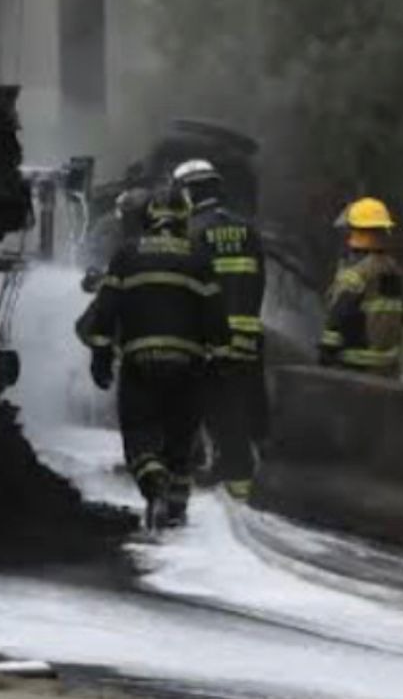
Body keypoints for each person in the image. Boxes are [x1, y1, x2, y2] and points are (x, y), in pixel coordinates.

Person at [80, 188, 228, 529]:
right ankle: (175, 512)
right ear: (183, 219)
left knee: (139, 433)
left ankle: (154, 484)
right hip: (188, 367)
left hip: (139, 364)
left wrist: (100, 355)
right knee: (180, 440)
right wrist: (219, 362)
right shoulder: (199, 258)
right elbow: (216, 317)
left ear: (150, 217)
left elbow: (106, 311)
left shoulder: (127, 254)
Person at [174, 159, 265, 499]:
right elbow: (259, 283)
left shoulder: (192, 232)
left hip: (211, 340)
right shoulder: (248, 229)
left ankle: (236, 488)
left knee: (214, 411)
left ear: (189, 192)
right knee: (240, 409)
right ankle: (234, 476)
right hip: (248, 335)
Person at [320, 197, 403, 379]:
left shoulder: (356, 274)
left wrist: (325, 356)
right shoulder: (392, 270)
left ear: (355, 232)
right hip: (388, 374)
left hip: (355, 373)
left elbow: (337, 322)